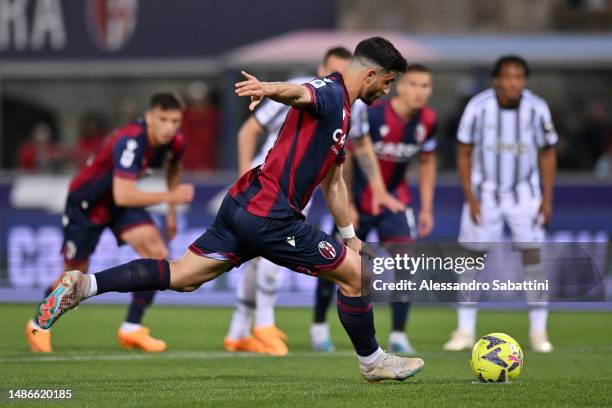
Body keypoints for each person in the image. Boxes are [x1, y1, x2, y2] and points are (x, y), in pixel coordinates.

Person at [33, 37, 425, 382]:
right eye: (389, 83)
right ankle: (373, 361)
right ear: (371, 75)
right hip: (271, 216)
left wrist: (350, 237)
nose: (388, 92)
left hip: (243, 204)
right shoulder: (332, 92)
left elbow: (334, 182)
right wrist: (268, 88)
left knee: (184, 276)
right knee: (356, 277)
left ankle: (86, 285)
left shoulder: (343, 110)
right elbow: (301, 92)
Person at [26, 93, 194, 353]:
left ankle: (131, 328)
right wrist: (171, 196)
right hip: (87, 204)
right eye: (163, 119)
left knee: (158, 253)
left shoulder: (175, 141)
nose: (169, 127)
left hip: (118, 206)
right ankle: (37, 324)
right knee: (73, 275)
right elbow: (124, 193)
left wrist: (171, 213)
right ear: (150, 117)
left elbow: (174, 168)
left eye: (175, 121)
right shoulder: (130, 140)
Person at [224, 47, 352, 356]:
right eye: (332, 69)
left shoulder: (344, 106)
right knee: (267, 257)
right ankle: (263, 325)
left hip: (295, 188)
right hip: (268, 184)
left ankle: (239, 330)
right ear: (320, 67)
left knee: (254, 258)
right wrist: (244, 175)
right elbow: (249, 130)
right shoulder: (302, 90)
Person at [310, 64, 437, 354]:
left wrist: (427, 209)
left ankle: (399, 334)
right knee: (333, 262)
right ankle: (318, 326)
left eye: (426, 86)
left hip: (394, 202)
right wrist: (349, 204)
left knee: (406, 261)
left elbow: (428, 162)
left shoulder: (428, 121)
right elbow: (349, 158)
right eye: (414, 84)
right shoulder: (375, 113)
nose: (420, 92)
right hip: (357, 203)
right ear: (401, 87)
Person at [443, 55, 557, 353]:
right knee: (471, 260)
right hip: (485, 195)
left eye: (519, 77)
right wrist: (470, 196)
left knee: (533, 259)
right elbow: (464, 151)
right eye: (508, 76)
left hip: (525, 194)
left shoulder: (537, 108)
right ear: (496, 79)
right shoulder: (478, 107)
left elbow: (547, 152)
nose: (514, 82)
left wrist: (546, 198)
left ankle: (538, 331)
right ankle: (464, 330)